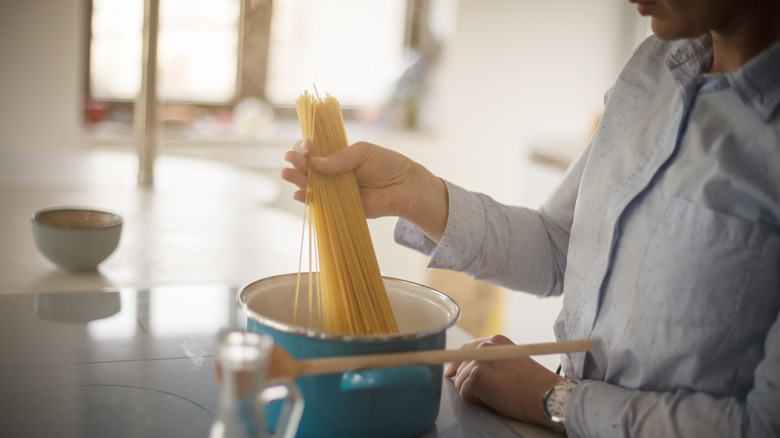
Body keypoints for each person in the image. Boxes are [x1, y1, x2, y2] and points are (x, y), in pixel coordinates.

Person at [282, 0, 780, 436]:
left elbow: (763, 425)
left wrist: (554, 399)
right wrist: (412, 193)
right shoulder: (653, 67)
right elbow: (561, 242)